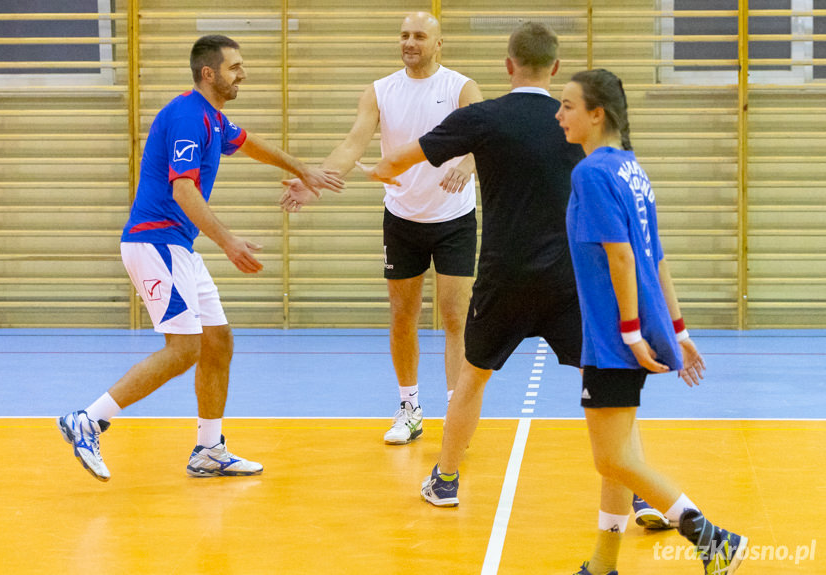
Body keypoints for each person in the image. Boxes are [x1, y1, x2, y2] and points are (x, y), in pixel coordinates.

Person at [57, 34, 344, 482]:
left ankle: (209, 449)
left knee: (218, 340)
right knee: (185, 348)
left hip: (177, 247)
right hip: (155, 242)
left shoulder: (213, 117)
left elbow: (249, 144)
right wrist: (229, 241)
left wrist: (302, 169)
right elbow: (183, 188)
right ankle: (88, 421)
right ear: (209, 73)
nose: (242, 74)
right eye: (235, 67)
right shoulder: (189, 116)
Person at [358, 21, 587, 505]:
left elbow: (405, 156)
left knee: (472, 379)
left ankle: (444, 481)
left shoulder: (483, 117)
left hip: (504, 278)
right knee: (601, 375)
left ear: (508, 66)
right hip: (566, 278)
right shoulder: (576, 123)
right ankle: (638, 495)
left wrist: (378, 169)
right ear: (556, 68)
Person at [557, 68, 747, 575]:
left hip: (612, 337)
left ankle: (711, 537)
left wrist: (632, 334)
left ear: (597, 114)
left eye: (568, 106)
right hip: (632, 331)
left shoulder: (591, 173)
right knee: (616, 456)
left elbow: (623, 257)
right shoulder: (632, 171)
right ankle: (602, 564)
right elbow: (656, 259)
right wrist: (677, 331)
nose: (559, 116)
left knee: (613, 460)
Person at [281, 12, 483, 445]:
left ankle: (455, 410)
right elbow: (354, 142)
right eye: (405, 35)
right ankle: (409, 407)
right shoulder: (380, 91)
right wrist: (315, 178)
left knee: (454, 316)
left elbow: (484, 139)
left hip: (454, 219)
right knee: (402, 316)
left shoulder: (460, 87)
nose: (410, 42)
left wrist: (468, 166)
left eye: (419, 36)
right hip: (402, 218)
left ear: (438, 43)